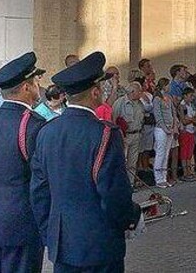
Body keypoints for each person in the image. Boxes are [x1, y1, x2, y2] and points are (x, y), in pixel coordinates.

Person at [30, 51, 143, 272]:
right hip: (99, 241)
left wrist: (50, 232)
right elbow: (113, 193)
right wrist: (129, 219)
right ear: (95, 92)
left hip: (62, 241)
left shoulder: (46, 131)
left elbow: (39, 192)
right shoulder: (105, 133)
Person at [0, 52, 46, 273]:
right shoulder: (34, 125)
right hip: (22, 220)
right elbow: (41, 179)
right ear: (26, 87)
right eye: (36, 82)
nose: (38, 88)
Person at [112, 80, 146, 175]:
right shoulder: (120, 102)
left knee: (133, 162)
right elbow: (114, 120)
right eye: (138, 91)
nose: (140, 93)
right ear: (132, 92)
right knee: (122, 161)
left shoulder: (140, 103)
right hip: (125, 136)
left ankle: (130, 183)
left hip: (137, 134)